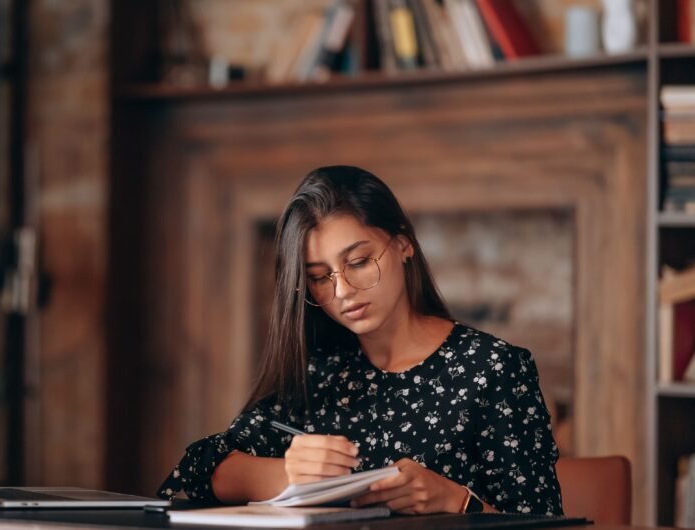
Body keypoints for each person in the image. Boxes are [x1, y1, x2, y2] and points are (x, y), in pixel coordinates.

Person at [157, 166, 563, 516]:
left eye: (359, 262)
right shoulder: (319, 372)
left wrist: (457, 501)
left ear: (403, 243)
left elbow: (546, 522)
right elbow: (196, 471)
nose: (343, 291)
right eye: (319, 277)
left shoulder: (492, 369)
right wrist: (284, 474)